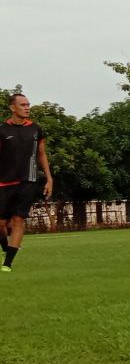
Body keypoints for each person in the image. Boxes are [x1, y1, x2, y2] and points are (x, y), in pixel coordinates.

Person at [0, 93, 54, 272]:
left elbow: (41, 154)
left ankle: (7, 263)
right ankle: (4, 245)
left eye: (28, 104)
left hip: (28, 180)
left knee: (18, 220)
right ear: (12, 107)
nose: (27, 107)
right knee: (1, 223)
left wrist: (49, 178)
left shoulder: (36, 129)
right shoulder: (2, 130)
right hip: (5, 182)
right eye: (23, 105)